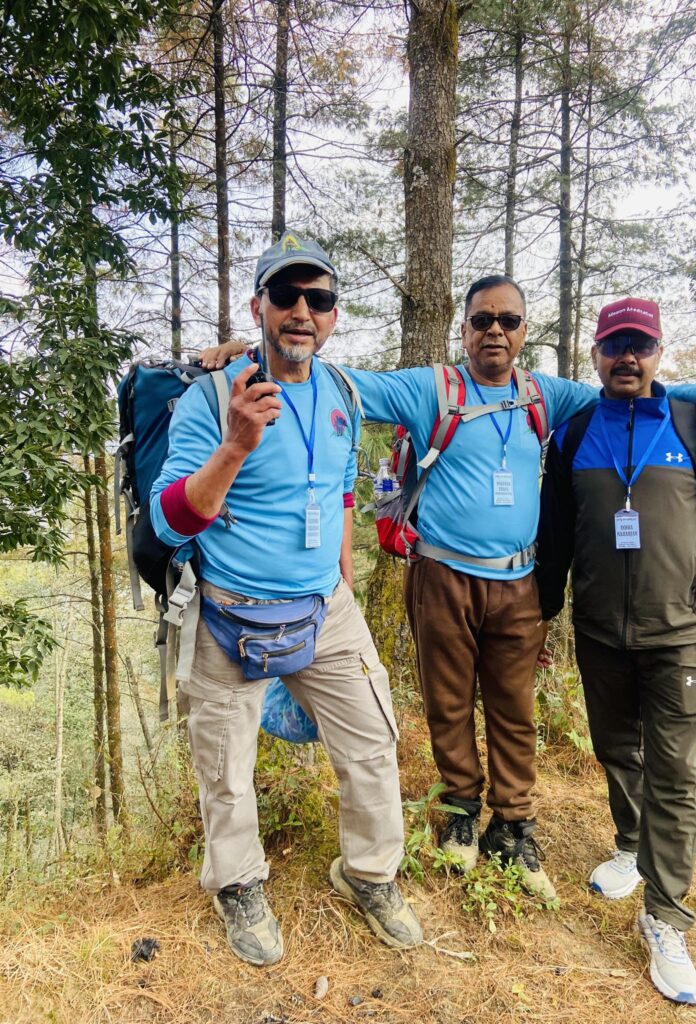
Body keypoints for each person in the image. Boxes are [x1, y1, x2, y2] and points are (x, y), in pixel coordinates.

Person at [202, 273, 696, 903]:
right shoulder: (432, 388)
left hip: (519, 582)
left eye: (508, 321)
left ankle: (514, 824)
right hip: (442, 576)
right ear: (464, 329)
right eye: (482, 320)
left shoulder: (546, 394)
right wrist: (252, 351)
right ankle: (459, 809)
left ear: (524, 332)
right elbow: (338, 379)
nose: (495, 332)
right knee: (448, 703)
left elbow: (627, 389)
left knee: (514, 710)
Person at [150, 231, 422, 967]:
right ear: (259, 306)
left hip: (325, 608)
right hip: (227, 611)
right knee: (225, 769)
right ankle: (238, 884)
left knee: (372, 743)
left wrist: (342, 583)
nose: (303, 310)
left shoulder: (343, 394)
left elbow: (337, 492)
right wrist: (235, 444)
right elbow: (168, 519)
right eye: (286, 294)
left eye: (319, 298)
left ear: (333, 315)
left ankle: (369, 872)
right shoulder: (213, 398)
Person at [535, 297, 696, 1004]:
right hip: (600, 632)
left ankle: (665, 917)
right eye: (615, 346)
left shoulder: (694, 425)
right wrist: (544, 615)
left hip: (683, 634)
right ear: (596, 354)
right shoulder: (574, 434)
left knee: (675, 772)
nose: (627, 357)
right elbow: (555, 538)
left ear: (659, 352)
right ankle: (631, 846)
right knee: (617, 749)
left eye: (640, 345)